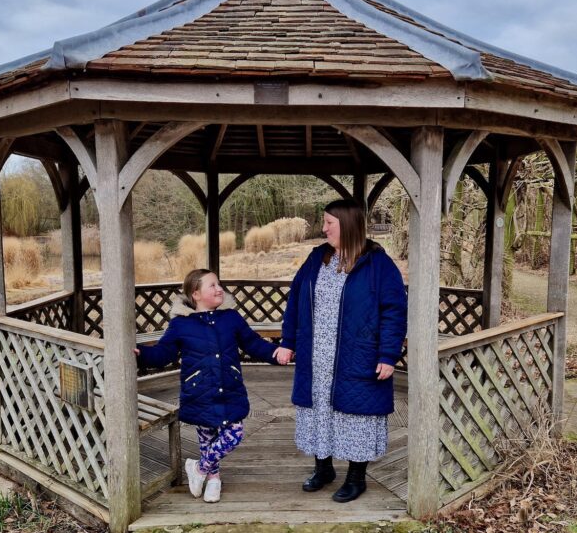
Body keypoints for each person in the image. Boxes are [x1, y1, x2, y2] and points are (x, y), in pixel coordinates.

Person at [275, 199, 408, 503]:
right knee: (320, 410)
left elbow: (394, 312)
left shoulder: (378, 264)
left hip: (358, 354)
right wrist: (287, 341)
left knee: (356, 415)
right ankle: (324, 470)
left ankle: (355, 478)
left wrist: (388, 354)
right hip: (317, 354)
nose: (323, 229)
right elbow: (295, 301)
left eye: (328, 223)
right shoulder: (317, 259)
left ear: (347, 224)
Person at [137, 268, 283, 503]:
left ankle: (199, 468)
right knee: (206, 436)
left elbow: (253, 344)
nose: (219, 289)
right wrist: (141, 354)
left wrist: (275, 352)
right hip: (199, 390)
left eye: (219, 284)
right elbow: (163, 354)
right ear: (196, 294)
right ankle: (213, 478)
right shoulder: (181, 324)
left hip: (229, 387)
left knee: (234, 433)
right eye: (212, 285)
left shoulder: (231, 318)